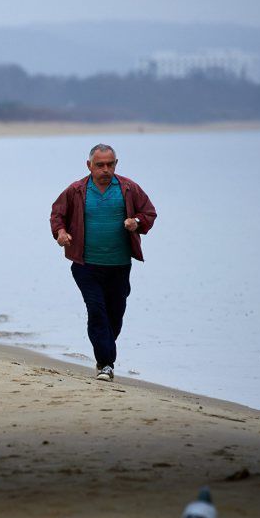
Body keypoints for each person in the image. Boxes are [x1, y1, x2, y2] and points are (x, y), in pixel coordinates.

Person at [50, 144, 157, 381]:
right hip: (86, 265)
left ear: (116, 164)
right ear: (89, 165)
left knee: (115, 316)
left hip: (119, 265)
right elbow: (57, 214)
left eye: (110, 164)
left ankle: (104, 354)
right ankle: (106, 364)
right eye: (100, 165)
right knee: (96, 311)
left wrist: (136, 222)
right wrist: (60, 233)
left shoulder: (128, 188)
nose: (105, 169)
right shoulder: (77, 190)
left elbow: (149, 213)